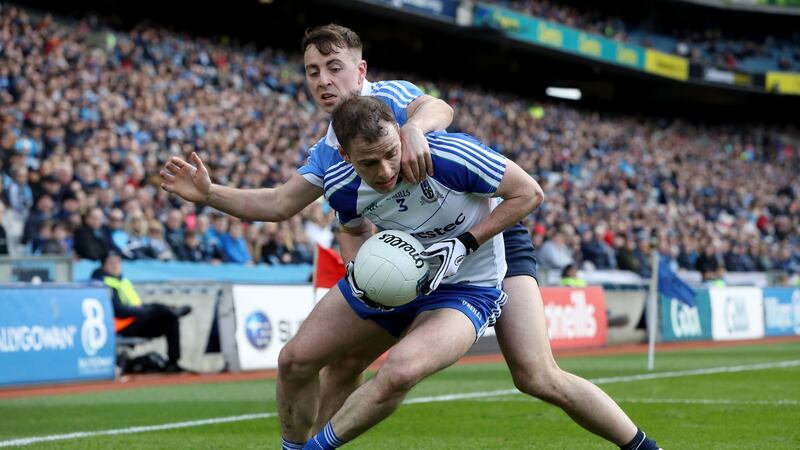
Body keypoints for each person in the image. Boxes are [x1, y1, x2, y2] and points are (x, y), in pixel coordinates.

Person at [162, 23, 659, 450]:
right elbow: (281, 204)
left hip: (487, 239)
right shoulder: (331, 160)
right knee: (322, 362)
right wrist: (210, 194)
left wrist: (416, 131)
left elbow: (440, 109)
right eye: (313, 72)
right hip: (409, 255)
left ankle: (641, 445)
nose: (324, 80)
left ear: (360, 71)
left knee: (535, 375)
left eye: (334, 67)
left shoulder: (397, 103)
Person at [166, 94, 543, 447]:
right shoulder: (340, 187)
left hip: (468, 285)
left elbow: (529, 193)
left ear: (399, 135)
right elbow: (352, 228)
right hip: (398, 279)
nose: (384, 171)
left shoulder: (452, 155)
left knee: (399, 371)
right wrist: (358, 267)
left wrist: (465, 243)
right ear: (345, 156)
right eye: (368, 162)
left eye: (390, 154)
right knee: (294, 360)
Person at [90, 252, 192, 373]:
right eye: (111, 263)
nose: (115, 266)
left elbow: (136, 304)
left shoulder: (123, 282)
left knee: (170, 320)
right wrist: (142, 311)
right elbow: (118, 310)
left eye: (118, 262)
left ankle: (173, 363)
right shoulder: (102, 283)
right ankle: (172, 311)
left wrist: (143, 309)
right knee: (158, 310)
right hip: (121, 326)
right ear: (103, 266)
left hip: (135, 321)